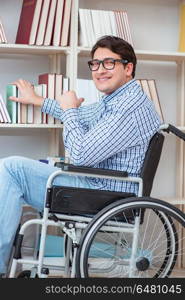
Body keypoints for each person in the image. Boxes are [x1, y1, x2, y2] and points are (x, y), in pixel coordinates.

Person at [0, 35, 161, 276]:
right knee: (10, 174)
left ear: (128, 68)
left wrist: (70, 109)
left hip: (102, 194)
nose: (99, 70)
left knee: (11, 169)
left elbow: (81, 154)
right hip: (99, 187)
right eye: (95, 64)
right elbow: (82, 115)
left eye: (109, 63)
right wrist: (39, 101)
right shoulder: (120, 100)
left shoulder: (128, 107)